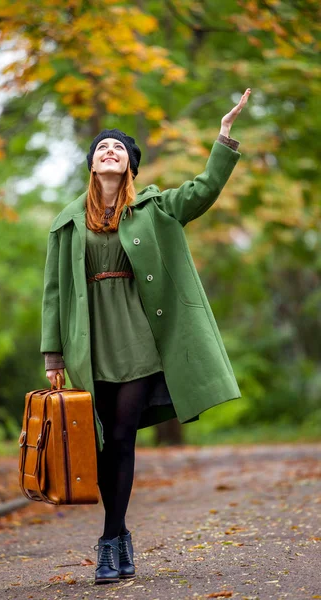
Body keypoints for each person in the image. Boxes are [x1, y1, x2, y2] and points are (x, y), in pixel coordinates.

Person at [41, 88, 251, 584]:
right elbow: (52, 292)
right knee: (102, 445)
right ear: (93, 166)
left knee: (120, 438)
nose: (108, 150)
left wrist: (223, 137)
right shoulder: (67, 223)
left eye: (118, 148)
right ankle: (120, 537)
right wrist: (53, 352)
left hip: (139, 341)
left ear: (130, 167)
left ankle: (110, 542)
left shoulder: (156, 208)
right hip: (90, 344)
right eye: (101, 148)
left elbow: (201, 191)